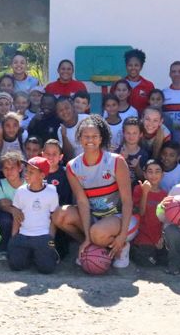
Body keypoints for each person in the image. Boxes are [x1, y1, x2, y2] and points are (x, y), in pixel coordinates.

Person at [54, 115, 137, 268]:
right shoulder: (73, 166)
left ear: (101, 138)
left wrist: (123, 234)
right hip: (94, 219)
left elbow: (127, 201)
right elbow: (82, 202)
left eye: (94, 136)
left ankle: (122, 246)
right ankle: (91, 247)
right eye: (86, 136)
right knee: (60, 215)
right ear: (79, 138)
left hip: (119, 218)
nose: (90, 139)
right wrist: (86, 237)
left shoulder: (116, 161)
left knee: (98, 232)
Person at [8, 156, 61, 274]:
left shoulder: (51, 192)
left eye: (31, 172)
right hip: (23, 235)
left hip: (43, 235)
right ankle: (32, 254)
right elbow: (17, 217)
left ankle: (45, 253)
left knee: (47, 269)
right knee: (15, 265)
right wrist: (13, 238)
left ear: (42, 176)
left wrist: (50, 239)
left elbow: (54, 218)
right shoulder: (20, 191)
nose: (27, 174)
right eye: (26, 170)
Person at [131, 159, 168, 267]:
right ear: (145, 174)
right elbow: (141, 212)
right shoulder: (139, 189)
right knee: (148, 263)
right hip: (143, 236)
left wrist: (162, 237)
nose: (154, 175)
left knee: (164, 261)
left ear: (162, 174)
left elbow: (165, 219)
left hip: (158, 237)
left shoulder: (165, 195)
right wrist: (145, 192)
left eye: (157, 171)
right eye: (150, 171)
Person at [0, 151, 25, 262]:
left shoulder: (28, 184)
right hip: (7, 214)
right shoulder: (0, 183)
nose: (9, 171)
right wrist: (13, 209)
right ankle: (2, 248)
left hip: (25, 214)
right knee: (5, 221)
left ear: (20, 168)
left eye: (12, 168)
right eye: (6, 168)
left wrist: (11, 203)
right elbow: (1, 204)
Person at [111, 48, 154, 114]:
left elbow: (152, 107)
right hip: (121, 122)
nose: (133, 68)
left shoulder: (149, 86)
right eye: (130, 65)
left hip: (142, 122)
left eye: (136, 65)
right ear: (126, 66)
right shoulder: (117, 85)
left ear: (141, 67)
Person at [162, 60, 180, 143]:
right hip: (168, 138)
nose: (177, 74)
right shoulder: (163, 93)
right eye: (174, 71)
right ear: (170, 74)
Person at [117, 116, 148, 187]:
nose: (131, 136)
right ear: (123, 133)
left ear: (140, 134)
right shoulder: (117, 152)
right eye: (128, 133)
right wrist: (122, 159)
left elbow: (144, 178)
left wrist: (137, 167)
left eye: (134, 133)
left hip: (136, 193)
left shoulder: (144, 154)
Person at [55, 96, 86, 161]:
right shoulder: (60, 130)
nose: (65, 112)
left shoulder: (87, 119)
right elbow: (69, 156)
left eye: (67, 108)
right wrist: (64, 136)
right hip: (78, 166)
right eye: (61, 110)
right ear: (57, 114)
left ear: (73, 107)